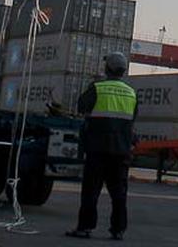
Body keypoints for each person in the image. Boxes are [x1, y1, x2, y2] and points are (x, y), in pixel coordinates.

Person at [67, 52, 138, 240]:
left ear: (107, 69)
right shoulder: (131, 92)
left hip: (97, 149)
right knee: (119, 194)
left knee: (91, 191)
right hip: (121, 151)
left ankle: (85, 228)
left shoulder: (98, 87)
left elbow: (81, 106)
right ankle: (118, 230)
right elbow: (132, 119)